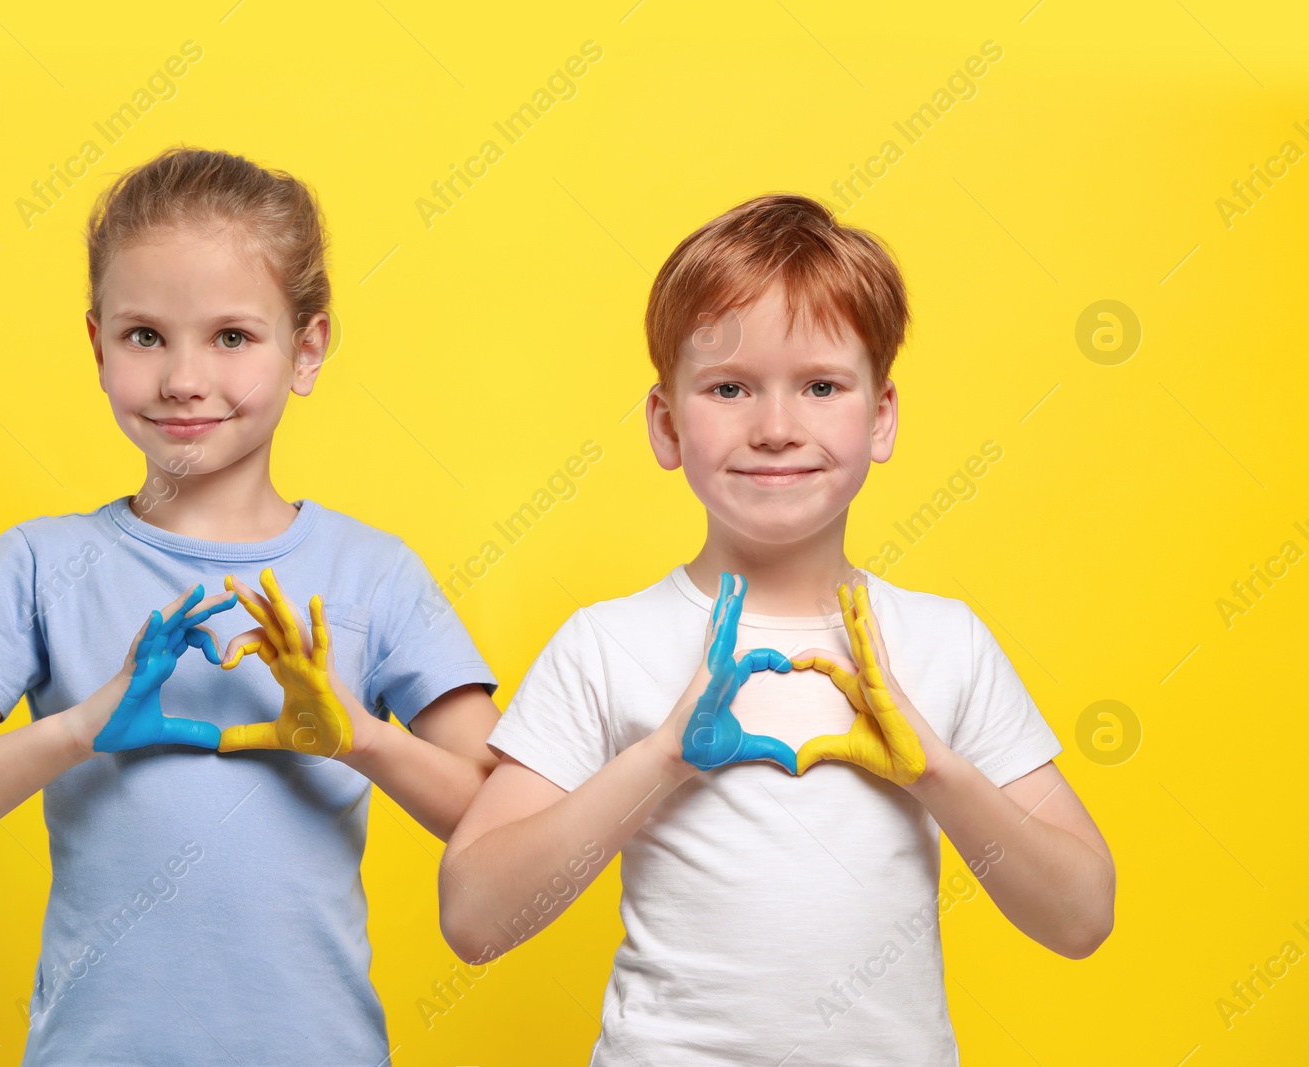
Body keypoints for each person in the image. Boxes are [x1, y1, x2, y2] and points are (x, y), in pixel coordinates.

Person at [0, 146, 501, 1066]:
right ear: (97, 344)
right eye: (145, 335)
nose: (184, 378)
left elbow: (507, 825)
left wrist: (362, 737)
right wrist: (78, 730)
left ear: (307, 349)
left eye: (232, 336)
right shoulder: (38, 566)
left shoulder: (378, 576)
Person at [438, 193, 1114, 1066]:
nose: (776, 428)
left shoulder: (946, 642)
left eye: (822, 386)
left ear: (881, 417)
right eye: (729, 388)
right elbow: (474, 918)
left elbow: (1080, 915)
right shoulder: (605, 644)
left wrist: (935, 769)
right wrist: (661, 759)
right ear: (667, 423)